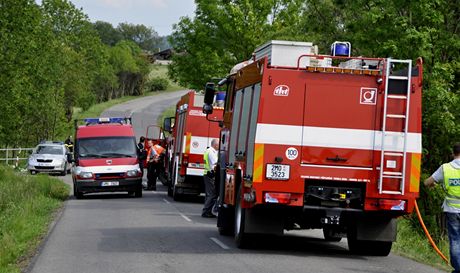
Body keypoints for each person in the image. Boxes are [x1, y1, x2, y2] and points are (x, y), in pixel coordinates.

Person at [424, 143, 460, 273]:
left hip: (452, 210)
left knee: (455, 240)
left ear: (453, 153)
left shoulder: (445, 168)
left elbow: (427, 182)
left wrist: (433, 183)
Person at [202, 139, 218, 218]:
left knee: (209, 194)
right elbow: (215, 163)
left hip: (207, 174)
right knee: (212, 194)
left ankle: (207, 211)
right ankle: (206, 211)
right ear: (215, 145)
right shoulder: (211, 152)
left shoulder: (208, 151)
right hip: (210, 175)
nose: (219, 146)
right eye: (218, 145)